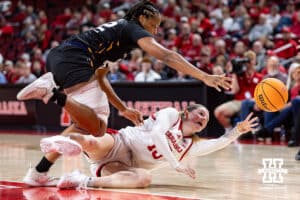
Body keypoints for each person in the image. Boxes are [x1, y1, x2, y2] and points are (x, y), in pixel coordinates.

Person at [17, 0, 232, 187]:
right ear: (142, 17)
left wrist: (122, 109)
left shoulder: (119, 36)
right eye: (154, 25)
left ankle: (39, 172)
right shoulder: (132, 28)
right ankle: (52, 93)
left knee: (85, 125)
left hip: (62, 57)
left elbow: (101, 78)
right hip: (75, 59)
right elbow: (167, 56)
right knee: (97, 128)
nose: (155, 32)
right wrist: (205, 77)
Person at [37, 104, 258, 189]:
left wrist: (237, 131)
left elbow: (217, 144)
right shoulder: (171, 114)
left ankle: (80, 181)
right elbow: (156, 133)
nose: (203, 118)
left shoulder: (189, 145)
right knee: (92, 141)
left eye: (206, 119)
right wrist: (175, 164)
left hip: (122, 166)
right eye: (201, 112)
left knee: (144, 179)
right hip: (120, 143)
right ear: (186, 112)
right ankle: (64, 142)